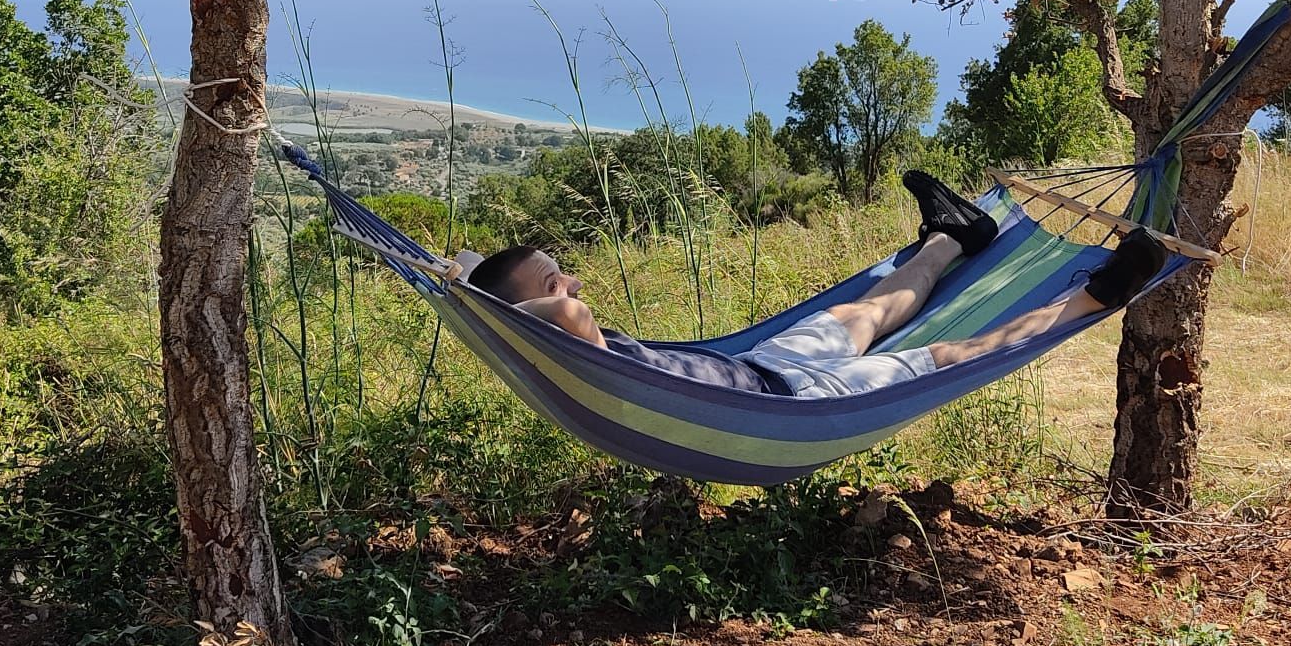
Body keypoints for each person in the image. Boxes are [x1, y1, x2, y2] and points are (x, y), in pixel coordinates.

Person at [467, 170, 1169, 399]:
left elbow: (524, 292)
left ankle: (955, 236)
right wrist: (508, 301)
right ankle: (1095, 297)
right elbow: (563, 312)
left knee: (870, 305)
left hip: (758, 364)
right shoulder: (572, 339)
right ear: (532, 308)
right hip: (797, 402)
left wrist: (464, 279)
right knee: (958, 352)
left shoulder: (563, 331)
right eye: (559, 279)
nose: (573, 282)